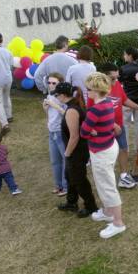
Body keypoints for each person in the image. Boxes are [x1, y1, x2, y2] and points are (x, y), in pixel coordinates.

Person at [80, 72, 126, 239]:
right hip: (108, 146)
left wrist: (92, 132)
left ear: (96, 91)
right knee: (103, 183)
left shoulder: (94, 109)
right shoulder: (108, 103)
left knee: (107, 186)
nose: (87, 92)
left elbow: (83, 132)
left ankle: (118, 223)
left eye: (89, 89)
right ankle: (108, 212)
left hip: (101, 152)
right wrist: (95, 130)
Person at [92, 64, 138, 190]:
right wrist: (111, 124)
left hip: (119, 126)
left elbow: (125, 100)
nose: (116, 81)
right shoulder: (95, 92)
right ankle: (106, 181)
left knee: (123, 149)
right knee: (105, 154)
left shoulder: (117, 86)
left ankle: (123, 176)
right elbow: (91, 112)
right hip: (103, 130)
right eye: (112, 78)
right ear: (103, 77)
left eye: (117, 78)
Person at [53, 82, 98, 218]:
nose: (56, 97)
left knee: (79, 179)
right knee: (69, 176)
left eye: (56, 95)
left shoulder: (72, 110)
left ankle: (91, 206)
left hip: (76, 151)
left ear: (62, 95)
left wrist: (67, 153)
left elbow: (74, 136)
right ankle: (71, 202)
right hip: (77, 150)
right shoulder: (73, 106)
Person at [43, 73, 68, 196]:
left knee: (65, 159)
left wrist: (55, 106)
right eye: (49, 82)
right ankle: (58, 185)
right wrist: (46, 109)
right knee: (55, 161)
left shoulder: (62, 97)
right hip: (52, 131)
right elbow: (49, 117)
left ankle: (65, 186)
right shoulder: (49, 95)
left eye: (54, 83)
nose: (51, 85)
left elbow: (68, 114)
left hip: (60, 132)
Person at [119, 47, 138, 154]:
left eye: (125, 54)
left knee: (125, 124)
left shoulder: (123, 68)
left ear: (130, 55)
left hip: (127, 100)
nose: (124, 56)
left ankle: (126, 148)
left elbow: (120, 83)